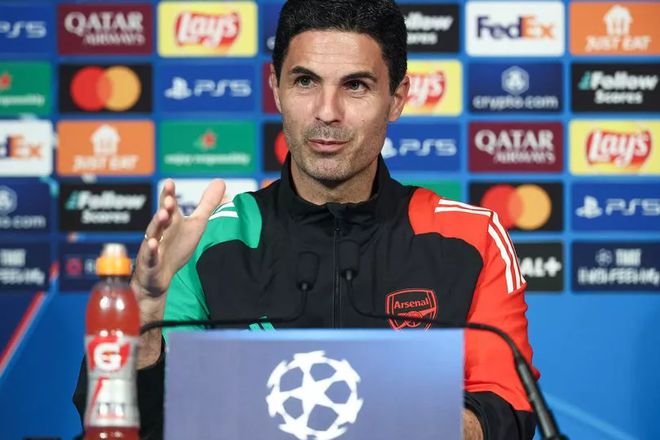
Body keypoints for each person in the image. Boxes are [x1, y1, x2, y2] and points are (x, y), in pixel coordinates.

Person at [74, 0, 539, 438]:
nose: (327, 112)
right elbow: (142, 426)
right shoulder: (204, 243)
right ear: (275, 88)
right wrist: (144, 310)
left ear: (397, 98)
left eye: (355, 86)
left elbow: (508, 410)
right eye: (305, 82)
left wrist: (363, 415)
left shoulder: (470, 237)